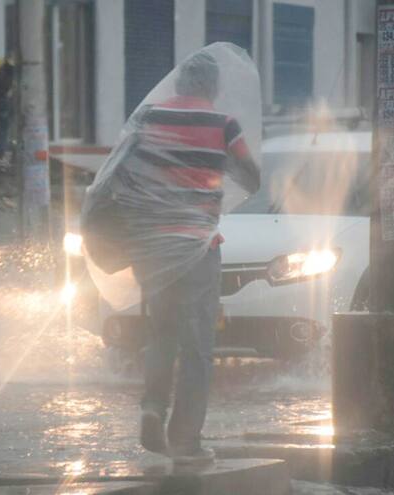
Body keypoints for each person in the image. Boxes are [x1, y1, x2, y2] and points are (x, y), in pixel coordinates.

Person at [129, 52, 260, 464]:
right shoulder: (223, 125)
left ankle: (152, 406)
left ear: (179, 83)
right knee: (197, 345)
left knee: (162, 332)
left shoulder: (148, 119)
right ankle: (185, 440)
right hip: (199, 249)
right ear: (212, 88)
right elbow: (252, 177)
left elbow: (125, 170)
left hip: (153, 247)